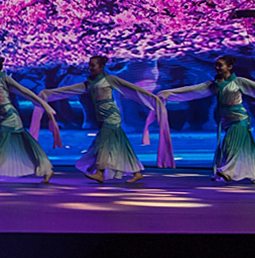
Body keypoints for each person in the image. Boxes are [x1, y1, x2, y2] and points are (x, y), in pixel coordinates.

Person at [158, 55, 255, 184]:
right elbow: (193, 90)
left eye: (220, 65)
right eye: (216, 65)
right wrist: (168, 93)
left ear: (229, 67)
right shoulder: (214, 84)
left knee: (230, 145)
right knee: (248, 149)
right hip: (227, 120)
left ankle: (227, 171)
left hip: (240, 119)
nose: (217, 68)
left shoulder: (239, 82)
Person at [39, 56, 171, 183]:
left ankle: (100, 172)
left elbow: (133, 89)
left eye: (93, 65)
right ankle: (137, 173)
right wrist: (48, 94)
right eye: (90, 65)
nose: (91, 68)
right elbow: (67, 90)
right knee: (122, 145)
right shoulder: (88, 84)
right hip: (101, 117)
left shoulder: (110, 79)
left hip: (111, 117)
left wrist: (154, 100)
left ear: (101, 67)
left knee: (102, 143)